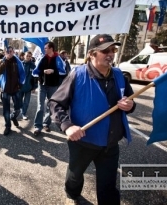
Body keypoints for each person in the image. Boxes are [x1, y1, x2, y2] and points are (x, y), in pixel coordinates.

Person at [48, 34, 136, 205]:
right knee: (75, 176)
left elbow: (131, 101)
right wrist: (67, 126)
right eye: (105, 51)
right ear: (92, 54)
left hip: (110, 143)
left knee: (108, 186)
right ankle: (72, 194)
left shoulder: (119, 75)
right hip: (82, 142)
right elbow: (55, 103)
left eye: (113, 50)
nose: (110, 54)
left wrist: (130, 105)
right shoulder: (77, 75)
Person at [32, 41, 66, 136]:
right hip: (42, 85)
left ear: (51, 48)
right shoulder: (42, 58)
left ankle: (46, 123)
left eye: (46, 48)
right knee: (40, 106)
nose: (44, 49)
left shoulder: (58, 58)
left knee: (50, 106)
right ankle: (37, 127)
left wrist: (53, 71)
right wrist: (43, 72)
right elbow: (36, 71)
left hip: (53, 86)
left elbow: (63, 72)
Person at [0, 46, 25, 136]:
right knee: (6, 109)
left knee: (18, 107)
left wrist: (20, 84)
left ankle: (13, 117)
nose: (9, 53)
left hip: (15, 88)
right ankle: (8, 126)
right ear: (5, 52)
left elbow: (22, 73)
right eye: (8, 52)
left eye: (11, 51)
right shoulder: (2, 60)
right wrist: (5, 60)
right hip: (5, 89)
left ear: (13, 52)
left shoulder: (17, 62)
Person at [20, 51, 37, 120]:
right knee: (19, 100)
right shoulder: (20, 64)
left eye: (30, 56)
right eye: (27, 56)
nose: (28, 57)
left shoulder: (33, 66)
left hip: (29, 87)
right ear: (24, 56)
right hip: (20, 86)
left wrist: (34, 87)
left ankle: (23, 113)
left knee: (26, 102)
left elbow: (35, 77)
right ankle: (18, 111)